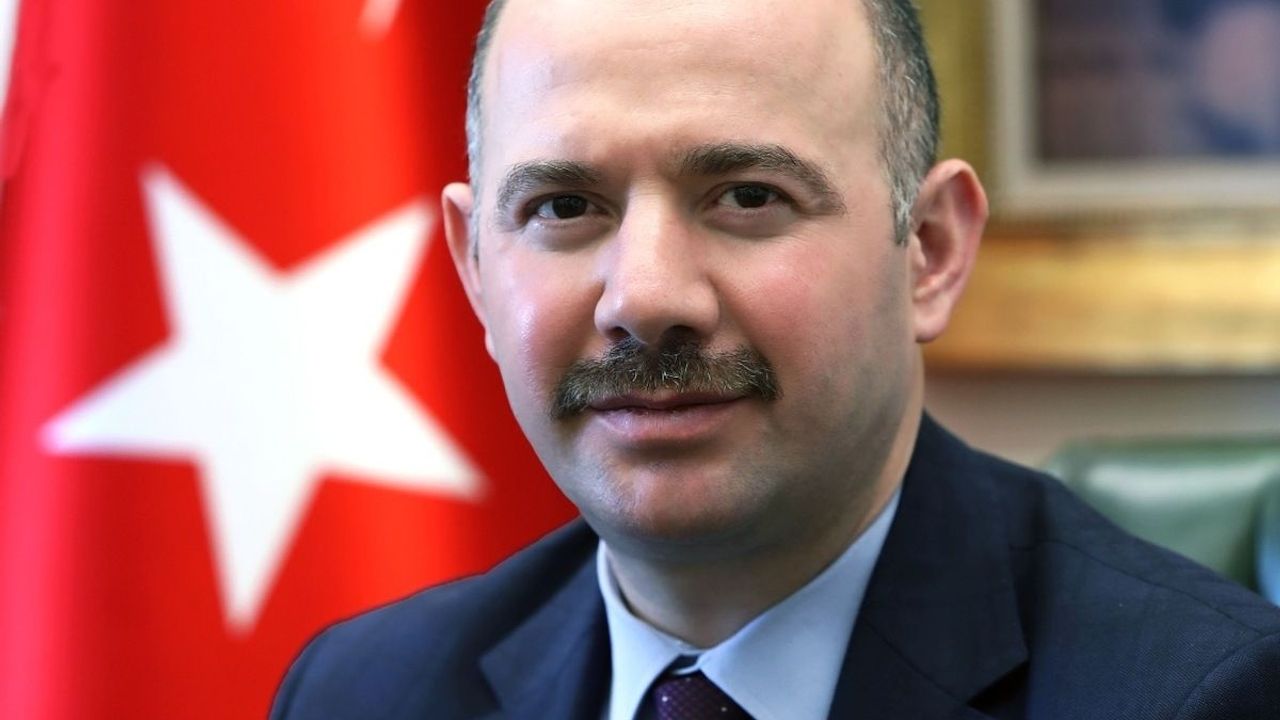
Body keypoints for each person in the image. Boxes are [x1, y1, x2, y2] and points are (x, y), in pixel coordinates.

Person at [271, 1, 1280, 718]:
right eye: (565, 206)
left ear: (929, 250)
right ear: (476, 271)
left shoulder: (1200, 696)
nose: (645, 299)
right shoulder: (365, 693)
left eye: (748, 196)